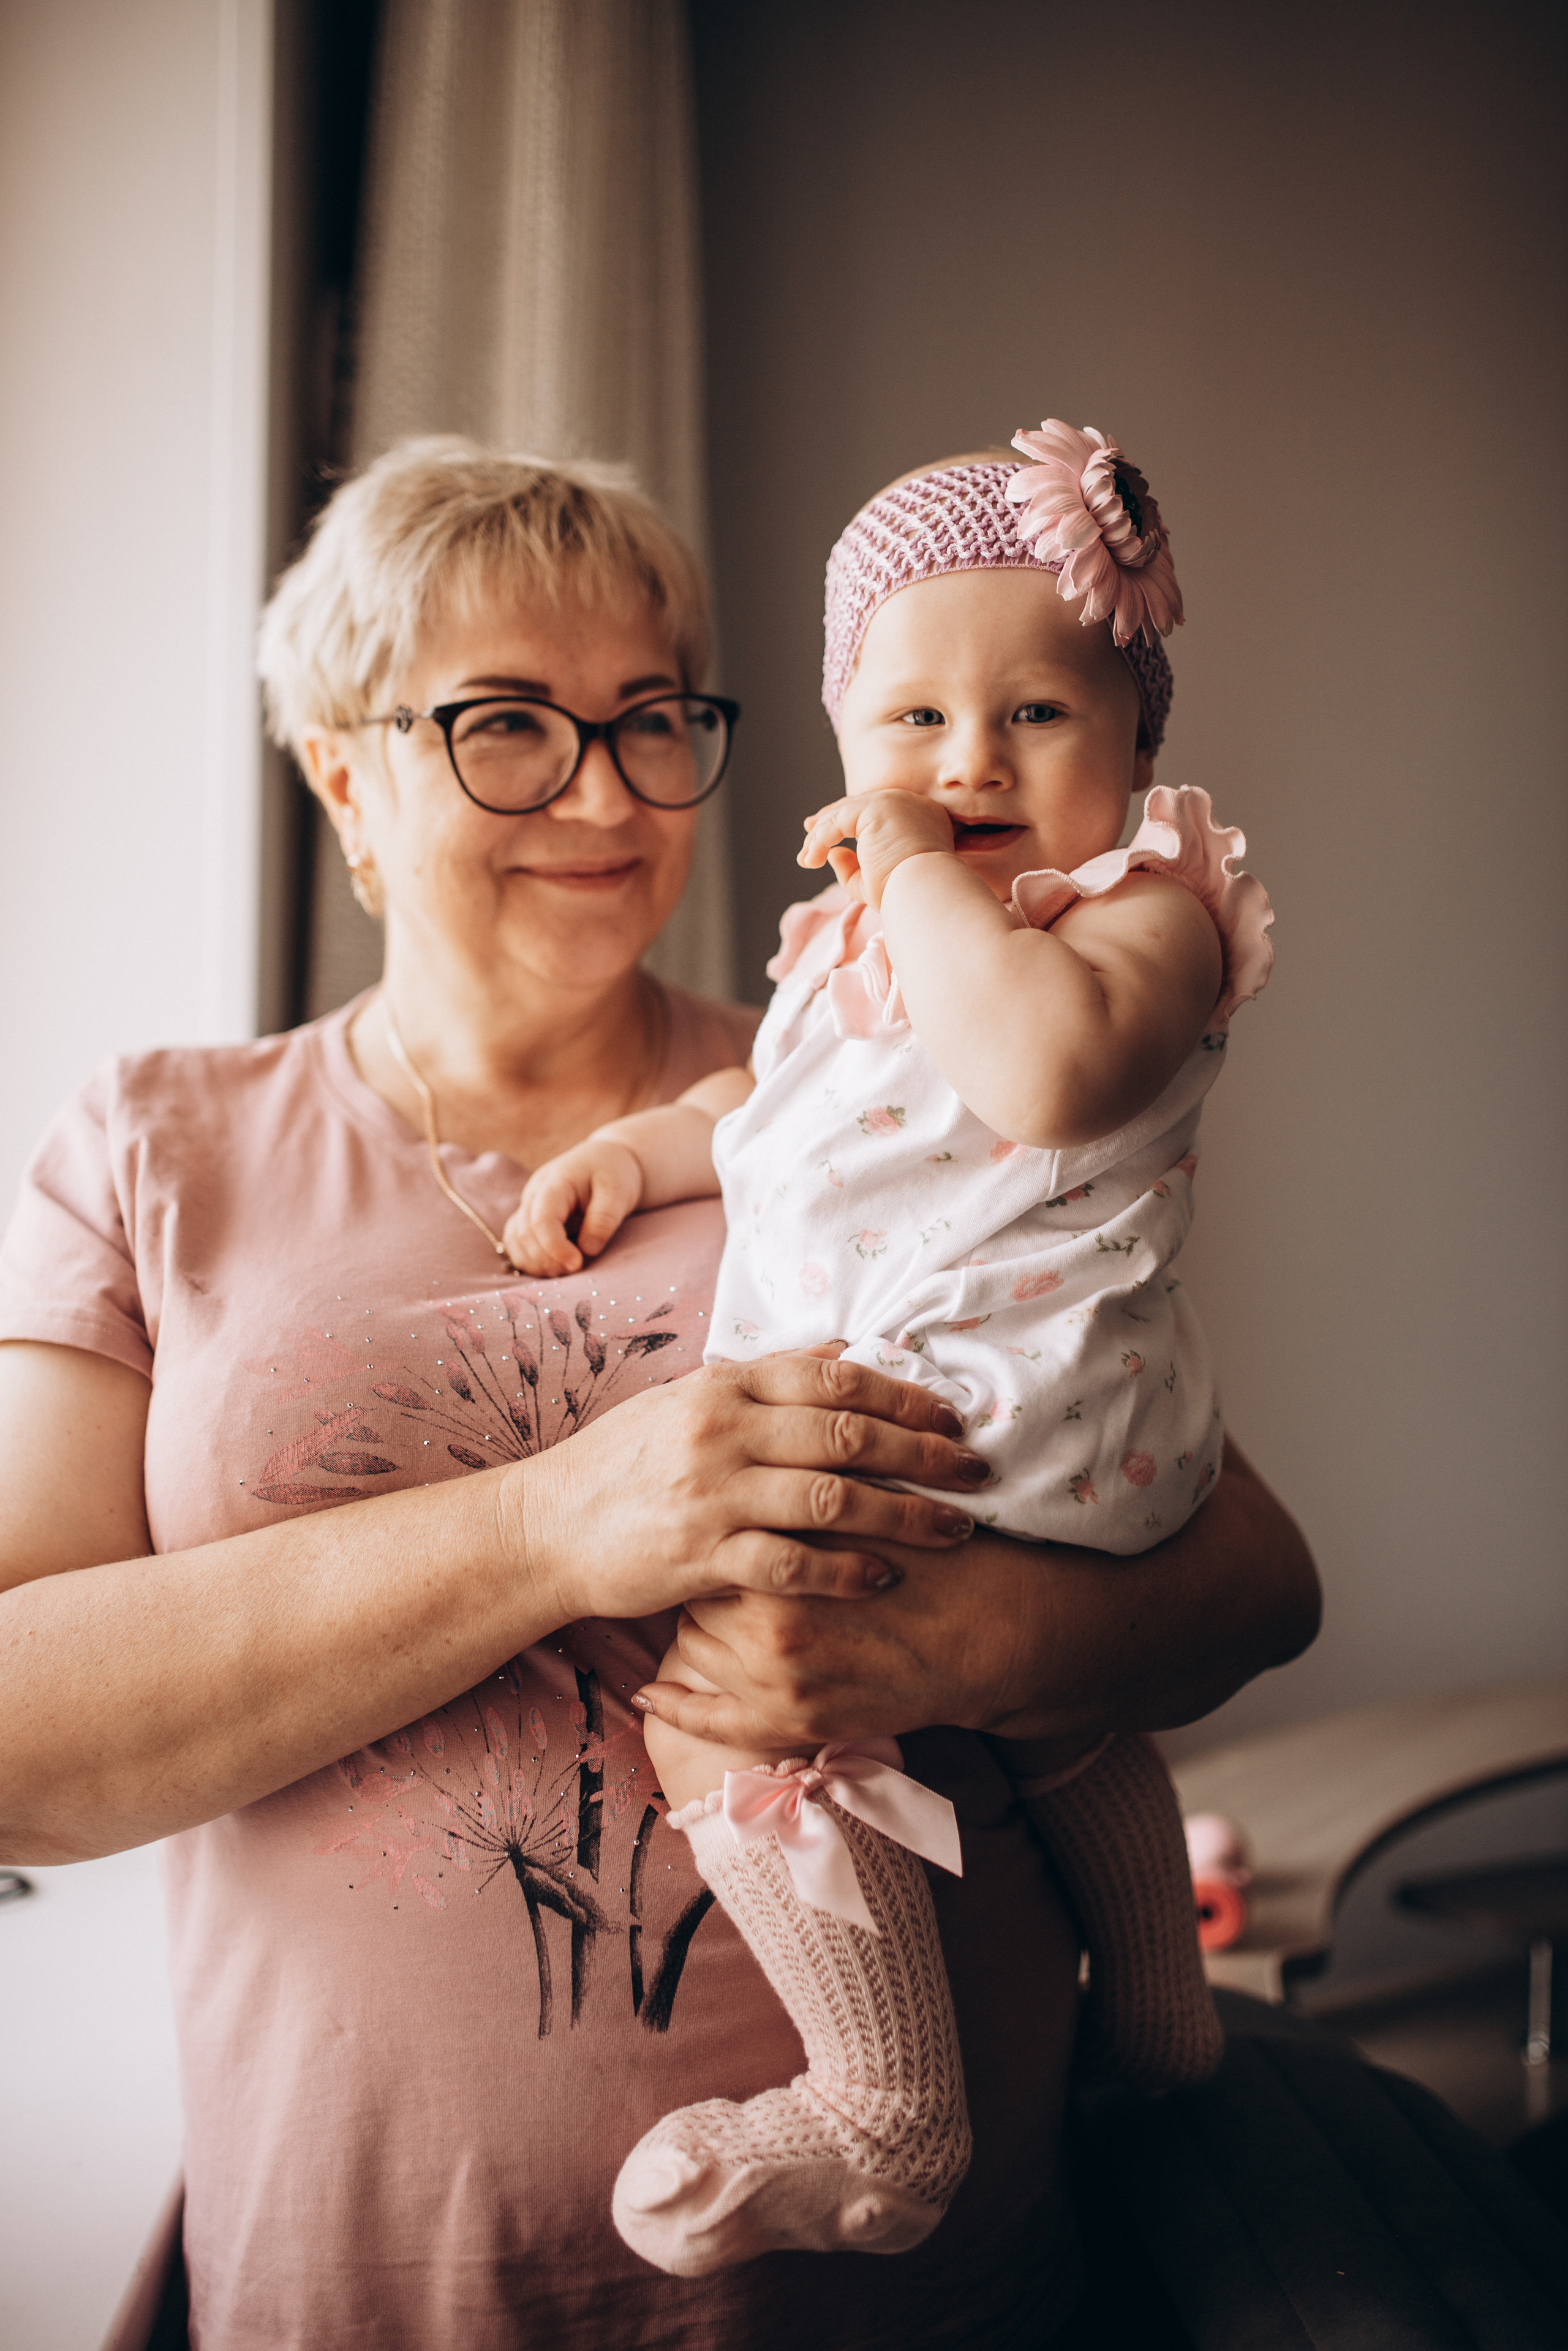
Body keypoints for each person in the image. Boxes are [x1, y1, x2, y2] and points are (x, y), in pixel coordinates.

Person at [0, 436, 1318, 2351]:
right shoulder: (151, 1147)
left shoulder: (874, 1062)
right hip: (381, 2281)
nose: (604, 792)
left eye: (650, 719)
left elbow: (1252, 1579)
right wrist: (552, 1525)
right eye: (509, 724)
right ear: (344, 776)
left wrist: (945, 1660)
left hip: (922, 2298)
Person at [503, 422, 1275, 2276]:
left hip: (991, 1423)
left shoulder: (1149, 916)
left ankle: (885, 2110)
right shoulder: (875, 938)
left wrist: (919, 869)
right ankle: (1165, 2020)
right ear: (845, 741)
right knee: (1061, 1726)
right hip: (1003, 1436)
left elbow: (1039, 1068)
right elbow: (783, 1103)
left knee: (724, 1705)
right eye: (913, 723)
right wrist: (636, 1148)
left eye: (1037, 715)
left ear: (1143, 751)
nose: (970, 762)